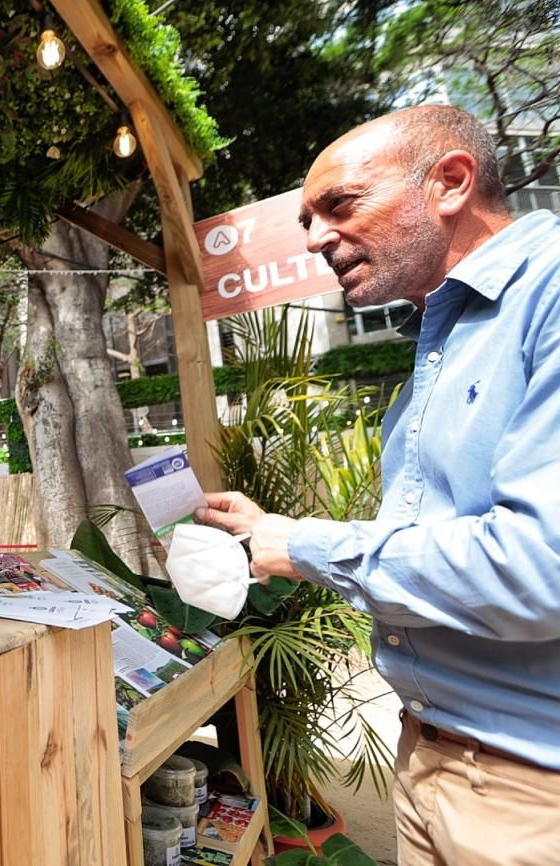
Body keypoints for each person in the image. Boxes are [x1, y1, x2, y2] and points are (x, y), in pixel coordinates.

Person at [196, 104, 560, 865]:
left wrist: (302, 544)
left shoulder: (549, 295)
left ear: (451, 183)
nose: (316, 235)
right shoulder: (437, 341)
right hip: (427, 755)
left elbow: (541, 565)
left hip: (533, 790)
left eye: (340, 205)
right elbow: (440, 534)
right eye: (305, 217)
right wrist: (273, 526)